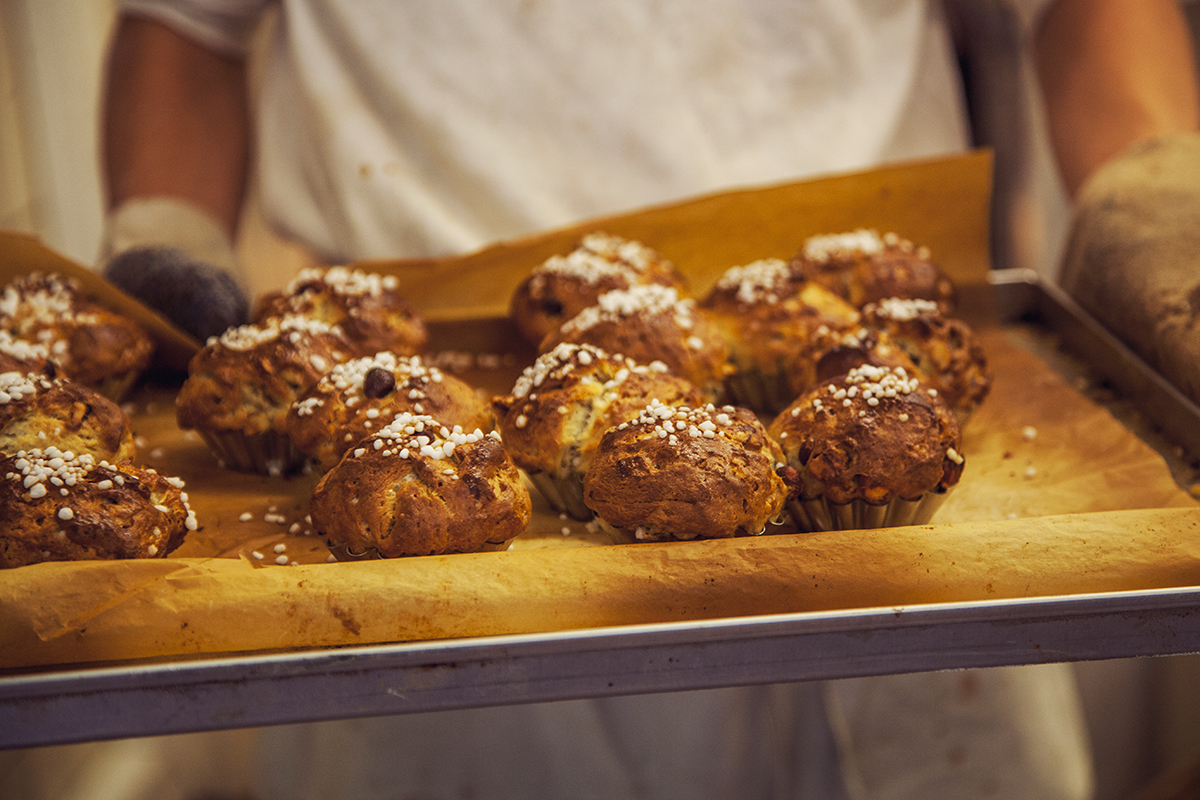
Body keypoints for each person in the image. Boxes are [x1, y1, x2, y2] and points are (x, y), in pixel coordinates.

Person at [8, 2, 1196, 799]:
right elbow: (188, 24)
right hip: (423, 548)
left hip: (899, 542)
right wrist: (159, 236)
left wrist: (1162, 201)